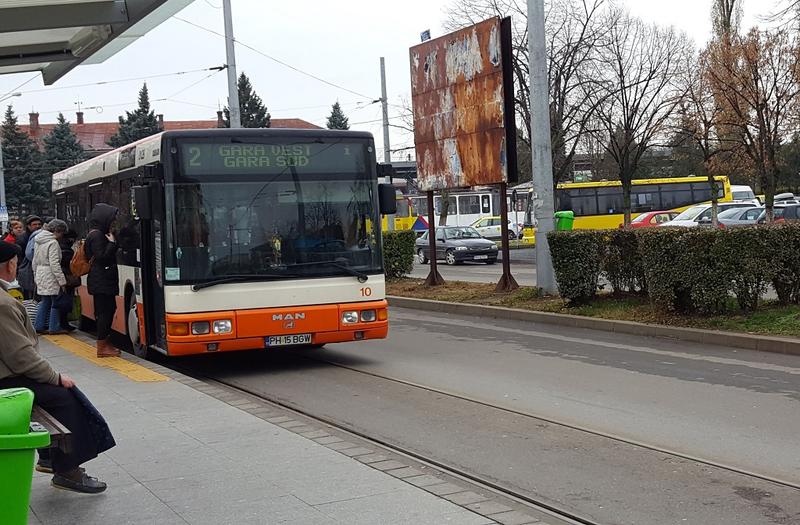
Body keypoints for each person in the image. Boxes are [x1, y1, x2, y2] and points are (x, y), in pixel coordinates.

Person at [0, 241, 114, 493]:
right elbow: (21, 357)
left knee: (55, 394)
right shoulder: (3, 304)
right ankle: (67, 470)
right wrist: (56, 377)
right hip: (6, 380)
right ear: (10, 265)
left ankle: (51, 459)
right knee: (66, 398)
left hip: (7, 375)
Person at [86, 204, 120, 358]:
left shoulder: (95, 234)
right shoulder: (97, 236)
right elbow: (101, 257)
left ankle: (105, 343)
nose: (113, 221)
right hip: (102, 280)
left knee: (108, 309)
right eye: (111, 218)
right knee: (105, 312)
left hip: (101, 280)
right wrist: (112, 243)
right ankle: (102, 346)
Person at [33, 219, 69, 335]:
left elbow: (34, 261)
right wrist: (62, 281)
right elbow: (55, 264)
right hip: (50, 273)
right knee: (55, 302)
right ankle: (54, 327)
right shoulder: (53, 243)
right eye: (62, 233)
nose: (61, 236)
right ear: (57, 231)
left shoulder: (38, 240)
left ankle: (38, 325)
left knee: (45, 301)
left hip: (40, 272)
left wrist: (35, 275)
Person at [55, 229, 80, 332]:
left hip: (62, 277)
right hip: (66, 278)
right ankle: (62, 324)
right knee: (64, 301)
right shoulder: (67, 250)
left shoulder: (59, 246)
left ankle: (61, 323)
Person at [16, 215, 43, 299]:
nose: (37, 226)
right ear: (28, 226)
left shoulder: (41, 237)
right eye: (34, 224)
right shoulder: (22, 239)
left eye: (39, 224)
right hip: (26, 270)